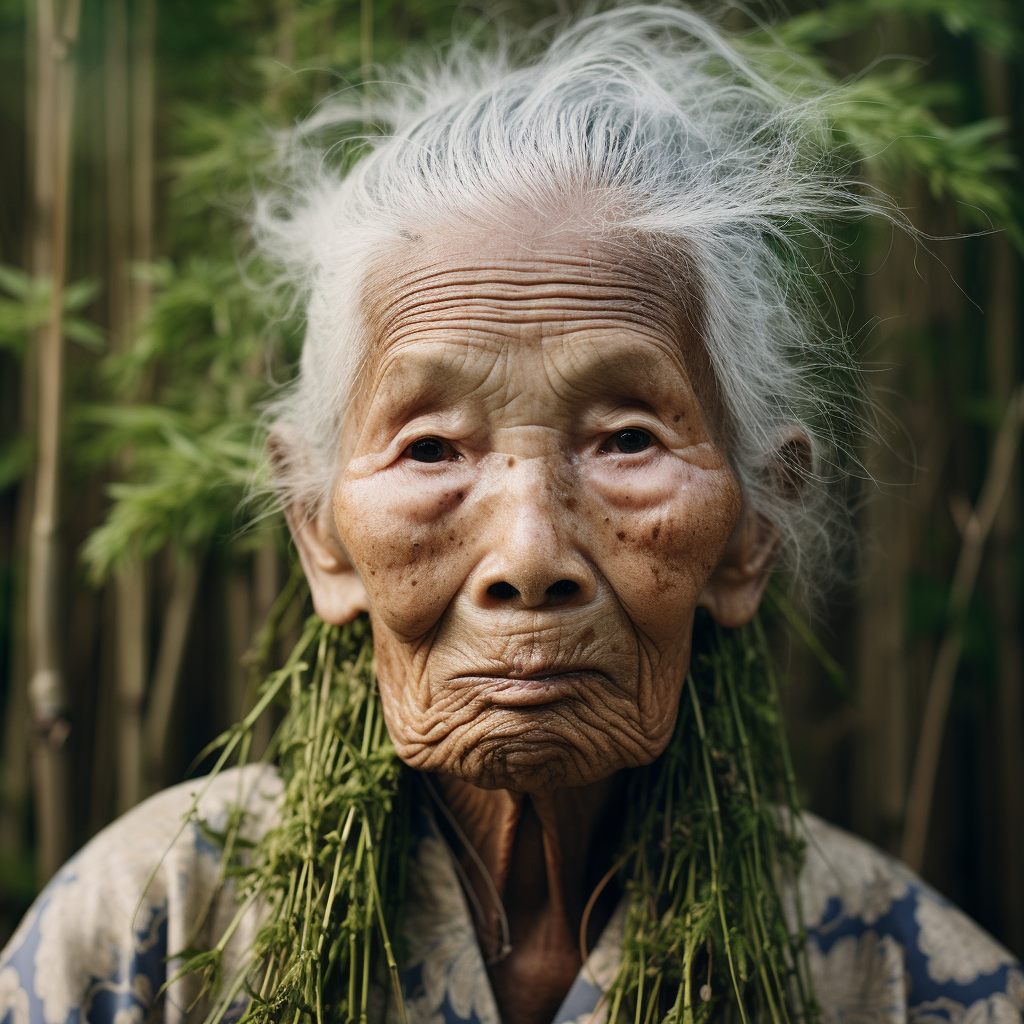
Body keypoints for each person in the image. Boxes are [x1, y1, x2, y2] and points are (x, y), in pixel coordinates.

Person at [1, 7, 1021, 1024]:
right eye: (431, 448)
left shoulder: (892, 980)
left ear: (753, 530)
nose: (528, 557)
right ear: (319, 530)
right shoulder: (150, 929)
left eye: (628, 440)